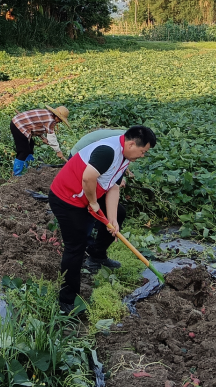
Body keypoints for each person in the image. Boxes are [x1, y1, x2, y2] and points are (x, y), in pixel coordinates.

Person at [49, 125, 157, 313]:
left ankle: (97, 255)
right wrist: (93, 203)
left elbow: (113, 187)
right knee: (76, 245)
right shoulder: (108, 151)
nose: (142, 156)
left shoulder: (125, 156)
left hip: (88, 192)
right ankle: (67, 301)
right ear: (132, 144)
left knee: (120, 213)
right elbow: (88, 178)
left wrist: (112, 219)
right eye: (143, 151)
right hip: (68, 197)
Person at [9, 106, 69, 176]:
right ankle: (17, 174)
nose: (60, 122)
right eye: (60, 120)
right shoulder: (50, 120)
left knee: (31, 145)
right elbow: (52, 138)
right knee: (23, 151)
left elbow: (36, 125)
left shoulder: (48, 114)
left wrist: (43, 138)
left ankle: (29, 166)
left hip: (21, 123)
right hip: (18, 125)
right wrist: (58, 152)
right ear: (57, 116)